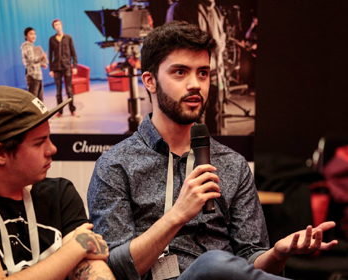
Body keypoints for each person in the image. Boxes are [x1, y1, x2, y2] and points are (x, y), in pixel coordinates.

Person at [87, 21, 337, 280]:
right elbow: (114, 269)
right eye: (181, 72)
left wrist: (276, 254)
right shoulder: (115, 165)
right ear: (150, 81)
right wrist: (177, 216)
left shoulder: (232, 163)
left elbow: (250, 261)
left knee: (218, 265)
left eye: (203, 73)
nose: (195, 84)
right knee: (213, 264)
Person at [0, 86, 115, 280]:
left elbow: (93, 264)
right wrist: (77, 247)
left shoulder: (60, 192)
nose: (52, 149)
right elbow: (85, 244)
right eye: (39, 142)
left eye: (49, 137)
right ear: (1, 153)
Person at [166, 0, 227, 135]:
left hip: (207, 77)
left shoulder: (210, 8)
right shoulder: (187, 8)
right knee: (203, 124)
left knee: (207, 124)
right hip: (204, 78)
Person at [49, 19, 78, 117]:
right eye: (55, 25)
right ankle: (60, 111)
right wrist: (51, 69)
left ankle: (72, 109)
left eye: (58, 24)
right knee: (58, 91)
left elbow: (73, 52)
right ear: (54, 27)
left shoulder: (68, 38)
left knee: (69, 90)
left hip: (67, 67)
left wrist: (75, 66)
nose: (57, 26)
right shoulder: (52, 39)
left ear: (61, 25)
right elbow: (50, 54)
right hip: (56, 67)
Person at [21, 27, 48, 101]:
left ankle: (41, 113)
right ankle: (34, 113)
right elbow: (31, 59)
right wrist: (41, 58)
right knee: (34, 100)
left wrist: (41, 64)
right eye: (31, 34)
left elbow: (32, 62)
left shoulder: (31, 46)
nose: (33, 36)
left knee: (39, 99)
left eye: (34, 34)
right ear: (26, 36)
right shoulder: (27, 46)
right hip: (33, 76)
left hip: (37, 75)